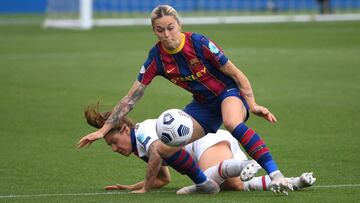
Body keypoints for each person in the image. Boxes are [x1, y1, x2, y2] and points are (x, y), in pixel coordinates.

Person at [78, 4, 293, 194]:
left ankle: (276, 174)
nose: (166, 34)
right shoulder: (156, 58)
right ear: (154, 31)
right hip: (202, 105)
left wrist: (252, 104)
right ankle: (204, 184)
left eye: (170, 27)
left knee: (231, 122)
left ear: (179, 25)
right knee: (163, 148)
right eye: (160, 30)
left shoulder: (198, 43)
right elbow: (131, 98)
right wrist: (103, 131)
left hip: (229, 93)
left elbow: (236, 74)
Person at [83, 106, 315, 194]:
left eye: (113, 142)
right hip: (213, 145)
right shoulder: (140, 148)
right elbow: (163, 179)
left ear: (125, 129)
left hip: (207, 142)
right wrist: (131, 187)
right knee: (234, 185)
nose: (114, 148)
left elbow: (156, 153)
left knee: (213, 183)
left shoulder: (143, 132)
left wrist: (143, 189)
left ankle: (244, 165)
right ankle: (292, 182)